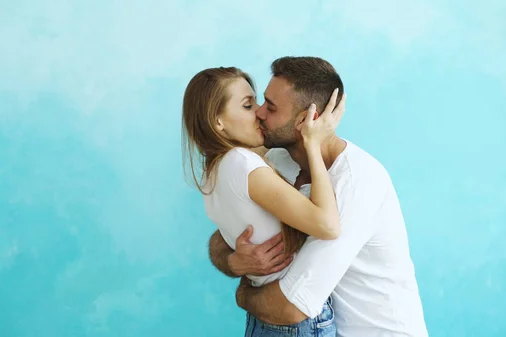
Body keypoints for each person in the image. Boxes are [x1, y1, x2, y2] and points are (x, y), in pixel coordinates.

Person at [209, 56, 429, 337]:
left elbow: (291, 307)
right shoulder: (278, 160)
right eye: (261, 102)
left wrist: (243, 296)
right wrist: (233, 261)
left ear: (306, 120)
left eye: (271, 107)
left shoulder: (358, 182)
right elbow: (224, 232)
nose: (260, 113)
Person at [182, 65, 346, 336]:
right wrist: (314, 144)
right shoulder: (242, 163)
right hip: (297, 320)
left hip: (264, 316)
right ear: (217, 121)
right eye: (248, 106)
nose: (259, 112)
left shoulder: (213, 172)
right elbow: (328, 226)